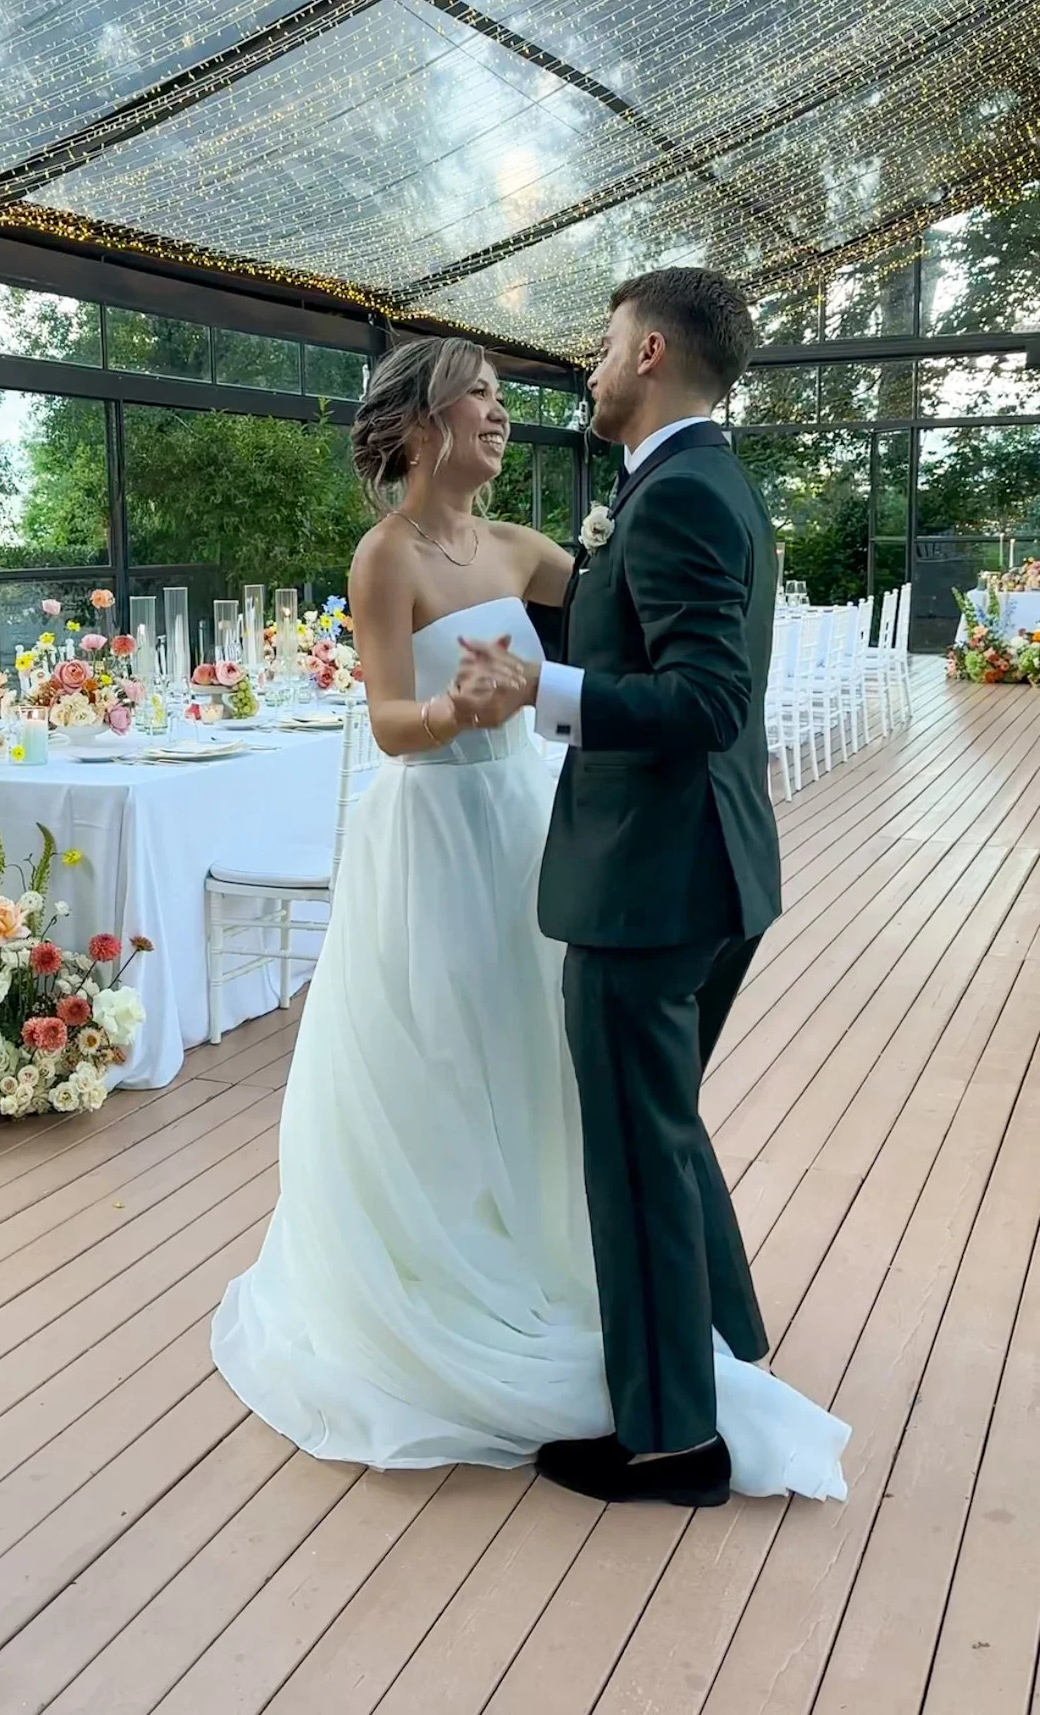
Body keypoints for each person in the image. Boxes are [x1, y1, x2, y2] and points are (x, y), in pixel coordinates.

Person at [210, 313, 849, 1504]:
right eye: (478, 393)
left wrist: (540, 690)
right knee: (457, 1060)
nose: (502, 411)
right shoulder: (383, 557)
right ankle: (483, 1279)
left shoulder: (529, 543)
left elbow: (630, 629)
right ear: (415, 423)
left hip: (544, 829)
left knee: (565, 1075)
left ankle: (640, 1330)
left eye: (507, 393)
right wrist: (464, 712)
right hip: (438, 831)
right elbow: (391, 720)